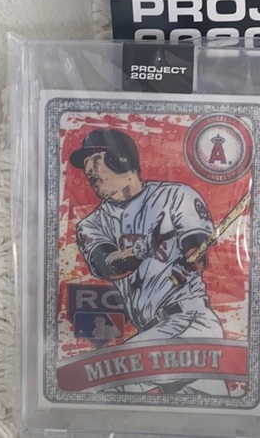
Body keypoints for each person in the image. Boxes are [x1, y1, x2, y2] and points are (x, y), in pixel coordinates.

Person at [70, 128, 228, 395]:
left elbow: (197, 249)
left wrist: (192, 257)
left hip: (188, 321)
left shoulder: (175, 196)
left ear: (120, 160)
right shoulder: (91, 224)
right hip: (152, 329)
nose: (88, 170)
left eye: (95, 159)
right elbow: (106, 265)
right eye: (86, 163)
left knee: (108, 382)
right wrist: (144, 247)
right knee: (207, 408)